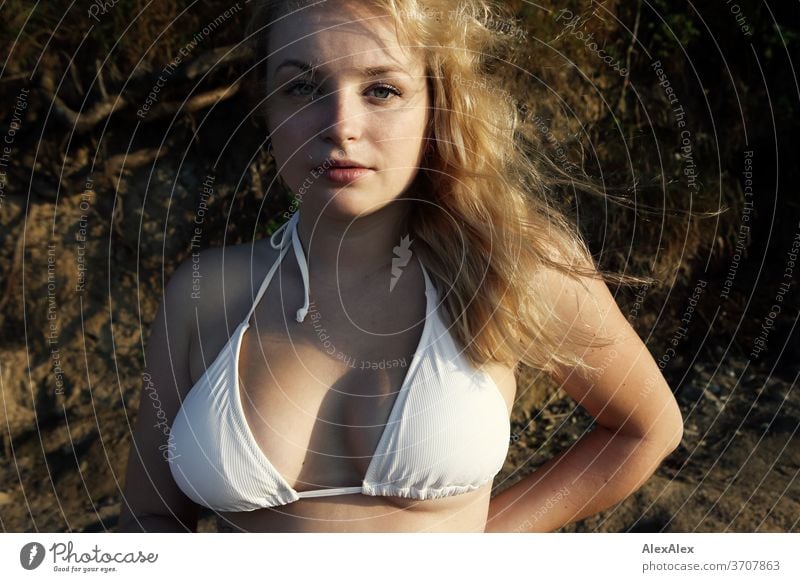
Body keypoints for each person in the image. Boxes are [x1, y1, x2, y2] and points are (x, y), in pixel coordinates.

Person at [118, 0, 683, 533]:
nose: (340, 125)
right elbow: (151, 516)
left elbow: (644, 430)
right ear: (267, 106)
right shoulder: (205, 291)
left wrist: (479, 546)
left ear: (438, 102)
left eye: (382, 89)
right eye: (302, 87)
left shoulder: (510, 267)